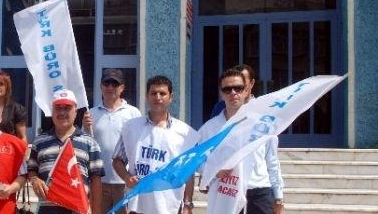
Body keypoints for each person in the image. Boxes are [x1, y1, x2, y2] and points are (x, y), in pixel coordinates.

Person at [198, 68, 284, 214]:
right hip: (226, 192)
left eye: (238, 88)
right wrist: (213, 171)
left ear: (246, 91)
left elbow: (272, 161)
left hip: (259, 194)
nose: (233, 93)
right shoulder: (210, 128)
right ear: (221, 94)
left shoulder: (263, 124)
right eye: (227, 89)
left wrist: (278, 197)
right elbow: (197, 160)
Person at [112, 75, 200, 214]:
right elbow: (117, 160)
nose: (157, 97)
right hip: (138, 204)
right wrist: (126, 178)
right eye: (153, 93)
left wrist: (187, 204)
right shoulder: (131, 127)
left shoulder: (185, 133)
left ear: (171, 97)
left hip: (169, 204)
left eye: (162, 93)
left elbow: (188, 172)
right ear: (147, 96)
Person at [28, 89, 105, 214]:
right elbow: (31, 170)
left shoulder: (90, 142)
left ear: (75, 112)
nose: (62, 112)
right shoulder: (39, 141)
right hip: (47, 210)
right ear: (52, 112)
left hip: (78, 209)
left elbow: (96, 182)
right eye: (58, 108)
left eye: (67, 108)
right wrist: (34, 180)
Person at [82, 68, 141, 214]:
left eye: (115, 84)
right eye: (106, 83)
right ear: (101, 86)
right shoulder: (92, 114)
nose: (110, 88)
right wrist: (85, 127)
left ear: (122, 88)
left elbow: (139, 145)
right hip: (99, 181)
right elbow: (86, 145)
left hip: (125, 181)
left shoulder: (133, 113)